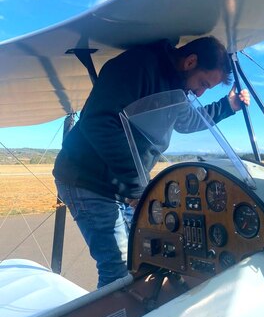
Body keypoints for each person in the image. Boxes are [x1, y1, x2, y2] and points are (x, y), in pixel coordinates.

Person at [53, 36, 250, 288]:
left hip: (120, 185)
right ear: (190, 61)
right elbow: (98, 123)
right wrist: (137, 187)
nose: (200, 92)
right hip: (87, 179)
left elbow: (187, 121)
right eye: (203, 83)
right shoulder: (138, 66)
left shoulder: (177, 89)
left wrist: (228, 105)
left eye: (207, 89)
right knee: (118, 269)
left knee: (143, 259)